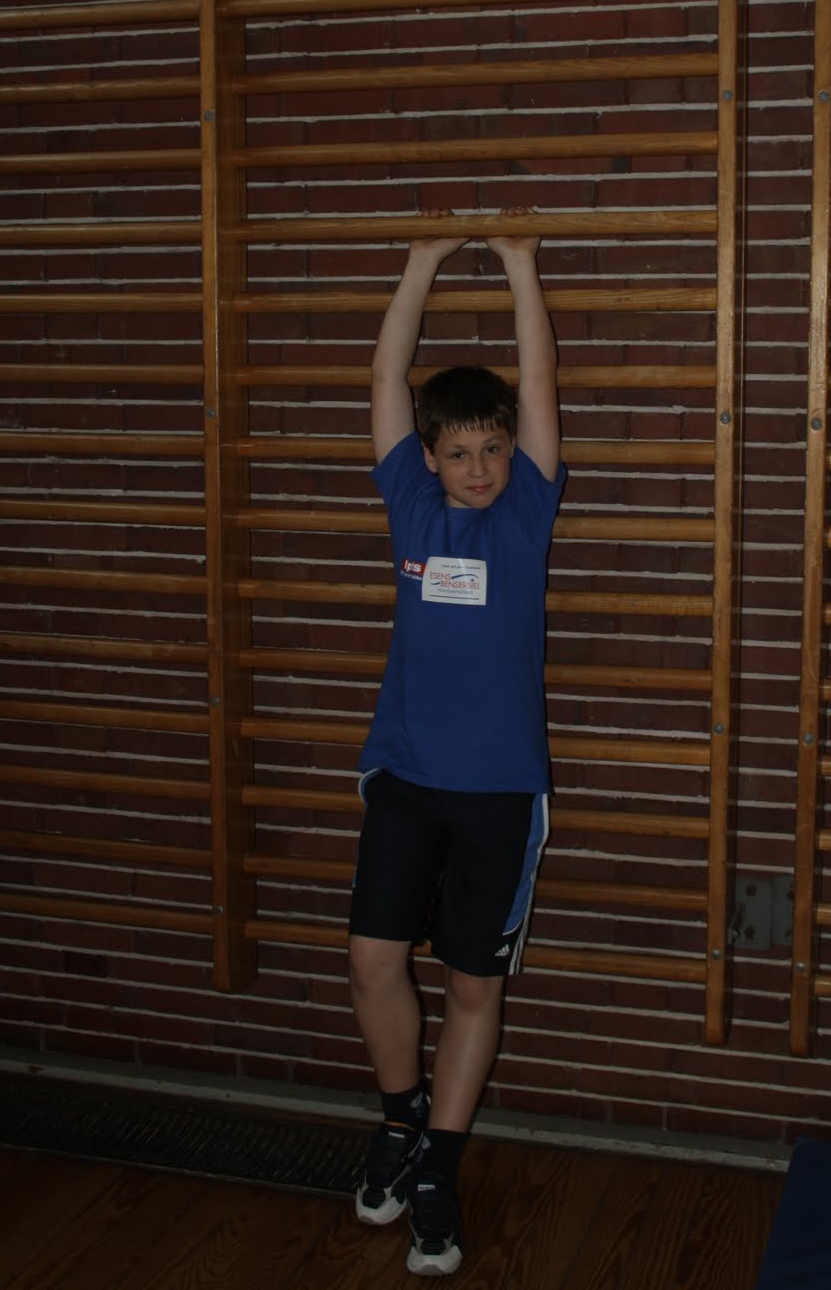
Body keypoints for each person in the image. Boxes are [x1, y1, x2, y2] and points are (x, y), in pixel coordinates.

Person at [347, 225, 565, 1276]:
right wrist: (421, 265)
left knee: (473, 984)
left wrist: (518, 264)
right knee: (372, 960)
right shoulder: (407, 500)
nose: (479, 468)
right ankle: (399, 1120)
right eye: (460, 452)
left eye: (493, 448)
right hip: (403, 773)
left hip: (497, 792)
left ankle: (438, 1164)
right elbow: (386, 376)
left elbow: (539, 378)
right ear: (428, 457)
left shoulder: (526, 511)